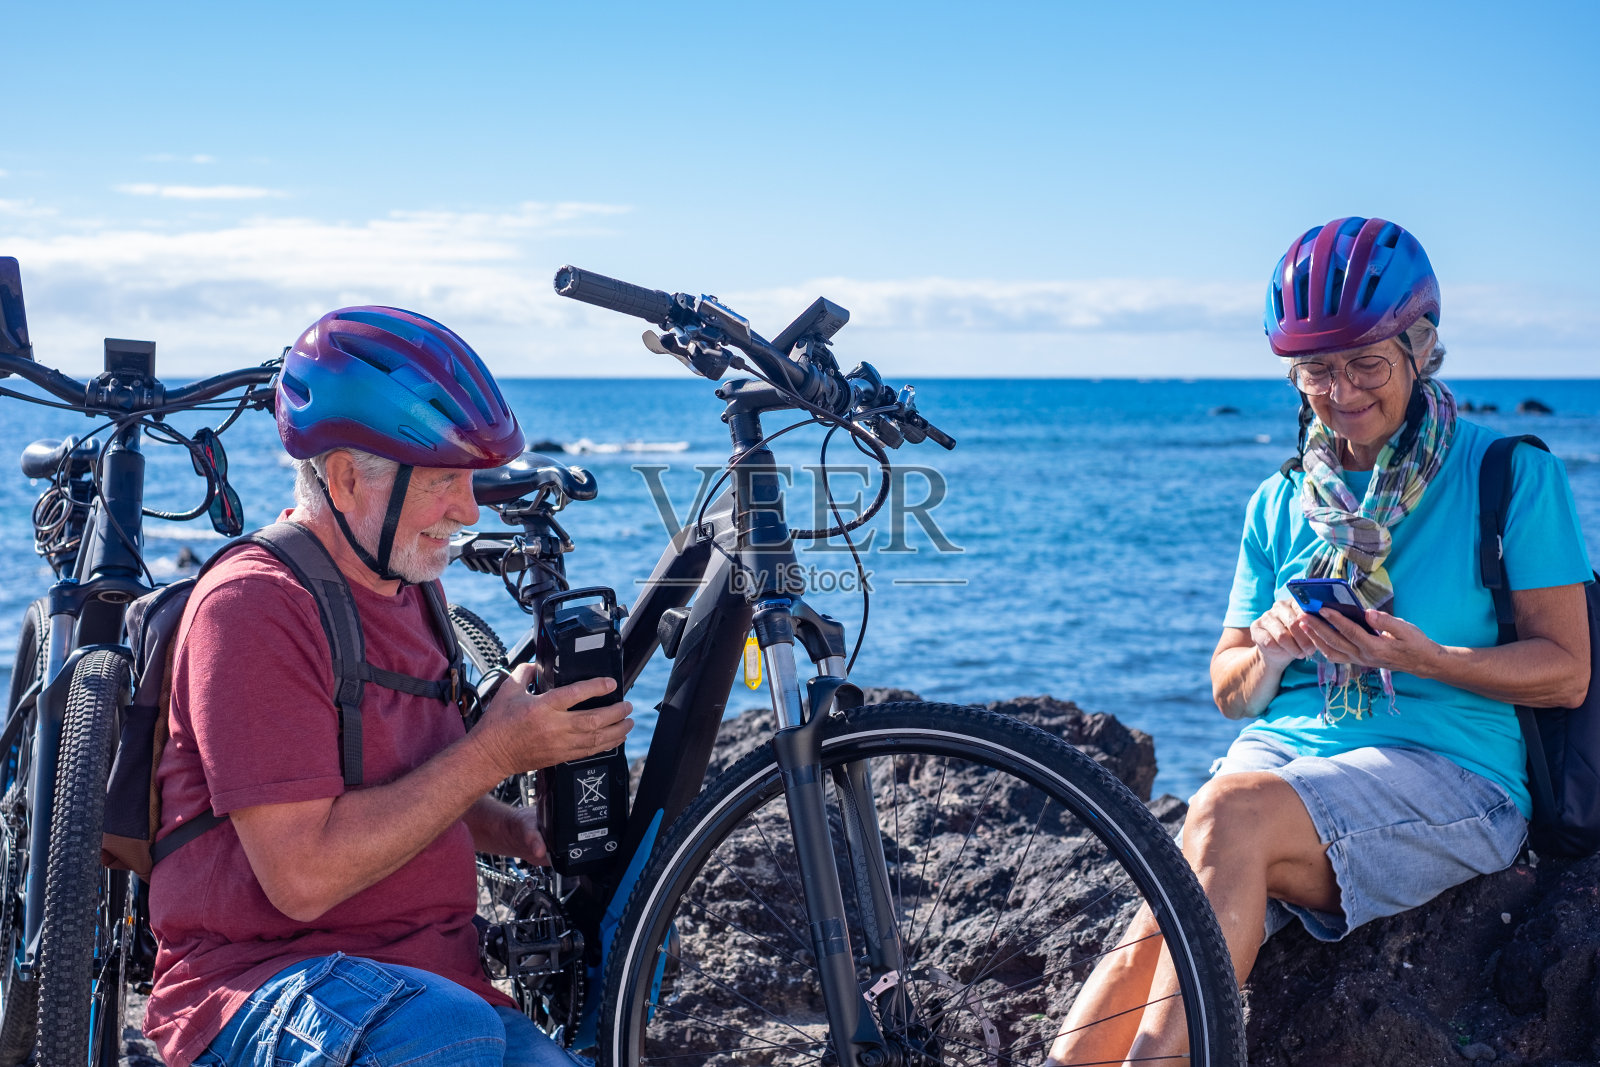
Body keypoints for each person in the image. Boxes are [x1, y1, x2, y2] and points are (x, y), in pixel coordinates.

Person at [1047, 217, 1592, 1065]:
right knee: (1158, 921)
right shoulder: (1280, 501)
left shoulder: (1510, 474)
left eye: (1365, 363)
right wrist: (1269, 646)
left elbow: (1565, 674)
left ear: (1422, 346)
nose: (1341, 392)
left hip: (1451, 771)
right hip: (1278, 773)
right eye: (1315, 371)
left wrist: (1421, 658)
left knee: (1219, 815)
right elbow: (1230, 689)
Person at [144, 307, 632, 1067]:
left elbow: (402, 783)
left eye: (472, 480)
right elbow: (303, 876)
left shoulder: (411, 587)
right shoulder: (254, 606)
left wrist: (517, 829)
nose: (469, 512)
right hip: (262, 986)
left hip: (436, 989)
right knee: (447, 1034)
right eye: (444, 481)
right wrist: (495, 748)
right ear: (345, 477)